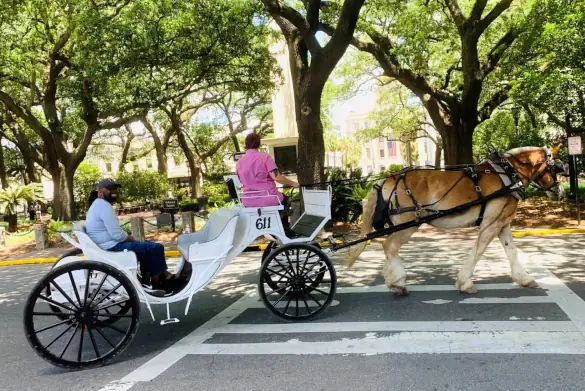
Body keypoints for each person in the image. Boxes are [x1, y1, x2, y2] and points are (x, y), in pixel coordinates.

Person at [85, 178, 185, 291]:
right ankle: (159, 281)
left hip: (106, 245)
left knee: (146, 247)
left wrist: (130, 239)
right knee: (156, 247)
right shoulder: (104, 206)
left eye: (115, 189)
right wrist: (130, 239)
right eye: (110, 189)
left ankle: (149, 279)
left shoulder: (97, 205)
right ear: (100, 192)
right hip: (112, 247)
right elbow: (117, 235)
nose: (114, 192)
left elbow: (114, 232)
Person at [235, 133, 300, 232]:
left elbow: (239, 181)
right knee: (284, 198)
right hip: (268, 199)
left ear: (246, 144)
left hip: (248, 201)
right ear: (259, 144)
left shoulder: (239, 162)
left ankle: (273, 225)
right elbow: (277, 177)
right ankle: (284, 229)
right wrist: (293, 183)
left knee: (280, 200)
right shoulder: (265, 158)